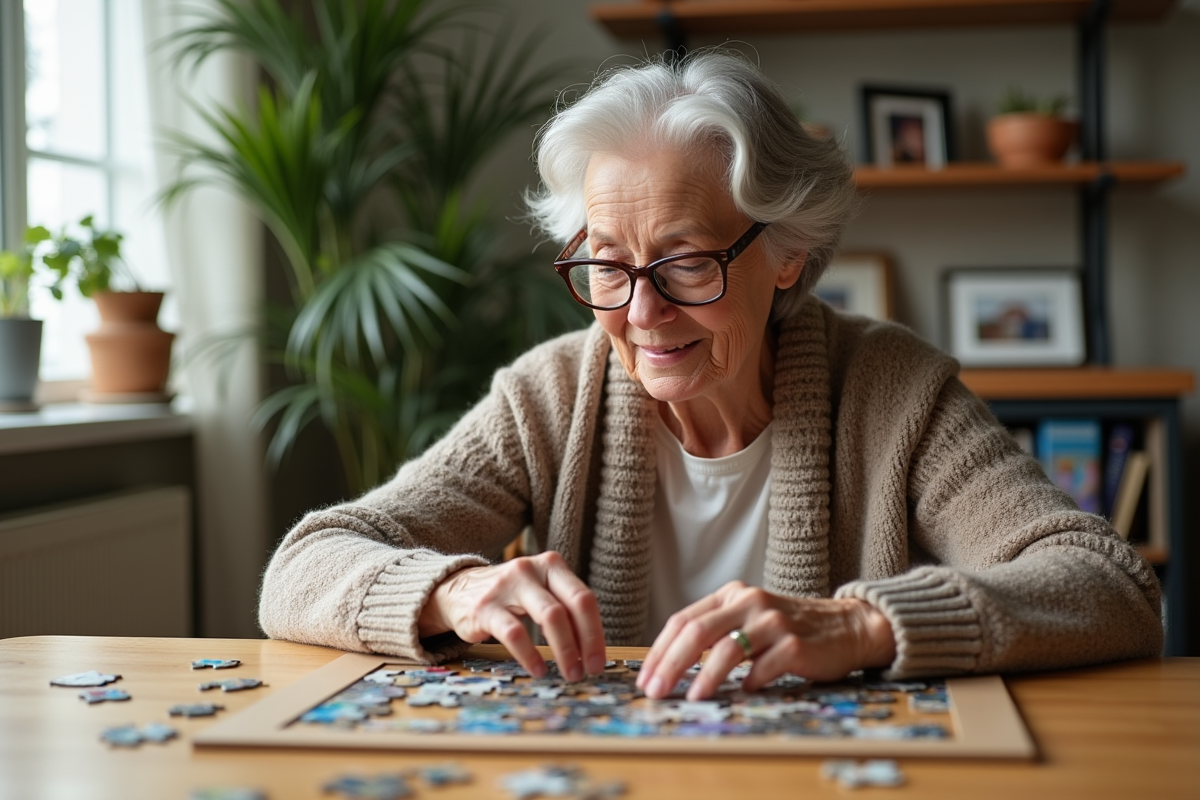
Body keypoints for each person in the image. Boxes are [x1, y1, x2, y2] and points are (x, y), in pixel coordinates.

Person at [259, 50, 1162, 702]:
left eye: (687, 263)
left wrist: (858, 626)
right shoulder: (549, 395)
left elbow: (1108, 585)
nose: (640, 313)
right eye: (607, 264)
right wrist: (455, 590)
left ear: (786, 253)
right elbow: (302, 566)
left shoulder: (896, 390)